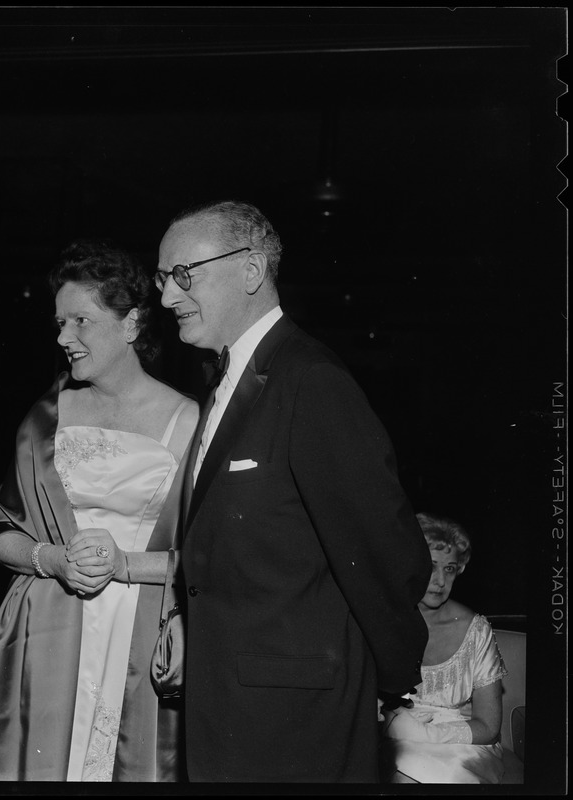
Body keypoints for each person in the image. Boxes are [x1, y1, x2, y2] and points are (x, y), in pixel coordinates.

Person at [155, 200, 432, 782]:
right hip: (233, 701)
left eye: (184, 275)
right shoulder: (231, 379)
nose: (167, 297)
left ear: (251, 270)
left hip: (296, 715)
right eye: (163, 279)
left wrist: (391, 679)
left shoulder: (311, 381)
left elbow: (386, 549)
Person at [0, 240, 199, 782]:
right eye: (60, 323)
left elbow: (209, 559)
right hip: (52, 631)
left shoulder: (189, 420)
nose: (63, 338)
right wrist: (52, 558)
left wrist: (125, 565)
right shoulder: (45, 417)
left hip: (142, 633)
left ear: (131, 324)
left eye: (80, 320)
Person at [380, 513, 508, 784]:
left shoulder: (476, 630)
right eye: (431, 566)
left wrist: (421, 734)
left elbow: (488, 727)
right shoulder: (384, 620)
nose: (440, 581)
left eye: (449, 568)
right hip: (391, 735)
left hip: (463, 745)